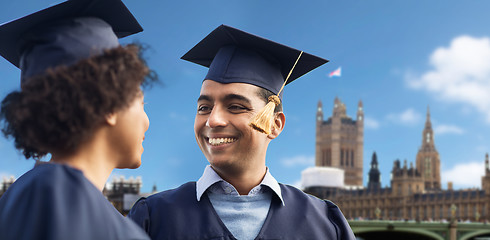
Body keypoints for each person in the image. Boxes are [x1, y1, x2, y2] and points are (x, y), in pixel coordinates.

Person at [128, 25, 355, 240]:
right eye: (204, 108)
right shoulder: (152, 218)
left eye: (236, 106)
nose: (213, 120)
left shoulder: (324, 223)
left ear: (275, 124)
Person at [0, 0, 154, 239]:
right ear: (108, 103)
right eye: (141, 103)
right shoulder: (53, 193)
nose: (146, 121)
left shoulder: (47, 192)